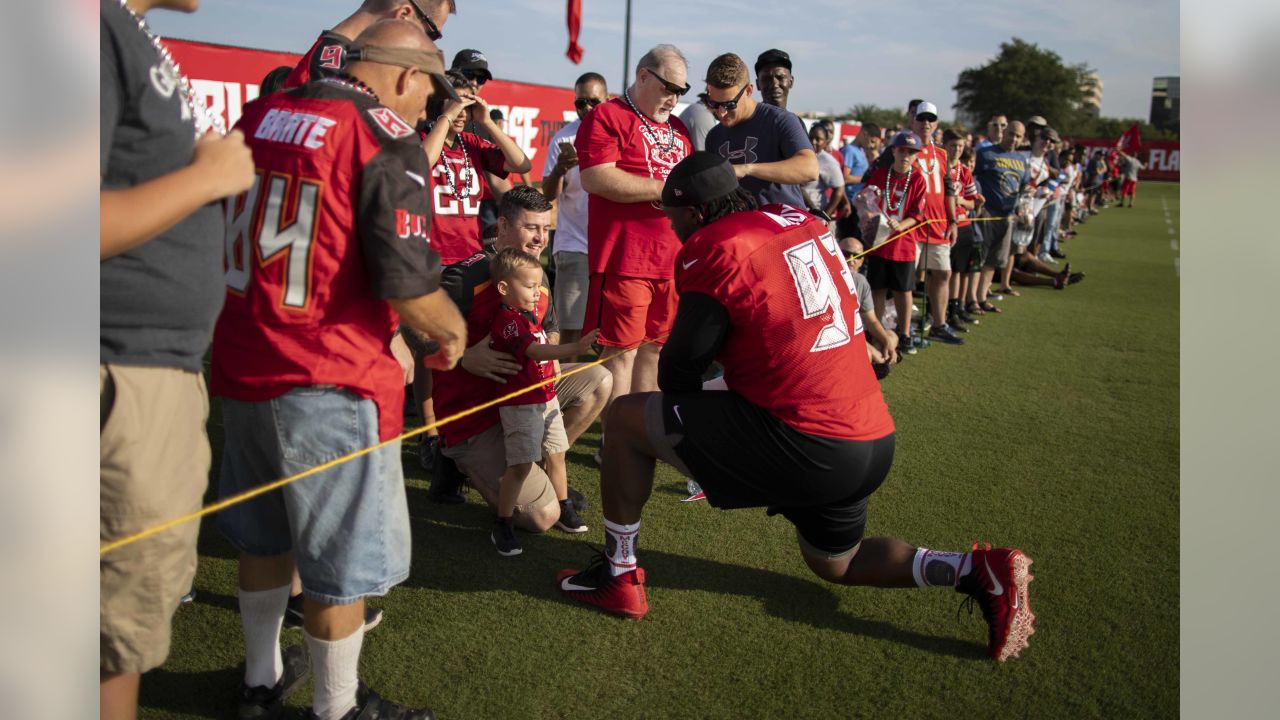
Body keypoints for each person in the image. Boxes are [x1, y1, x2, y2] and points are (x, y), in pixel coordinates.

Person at [555, 152, 1037, 664]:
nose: (672, 229)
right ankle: (970, 569)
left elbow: (679, 374)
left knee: (629, 418)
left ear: (695, 214)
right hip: (869, 433)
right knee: (837, 562)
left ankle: (618, 574)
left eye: (673, 218)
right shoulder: (799, 218)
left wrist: (724, 387)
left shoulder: (713, 245)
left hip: (807, 438)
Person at [211, 21, 466, 720]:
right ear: (408, 76)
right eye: (428, 91)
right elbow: (408, 283)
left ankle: (259, 684)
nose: (424, 109)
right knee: (335, 569)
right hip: (327, 373)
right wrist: (451, 330)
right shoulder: (381, 134)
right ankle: (336, 709)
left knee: (264, 538)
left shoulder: (262, 112)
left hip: (243, 360)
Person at [100, 2, 256, 718]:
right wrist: (207, 176)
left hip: (141, 372)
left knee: (114, 631)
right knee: (103, 632)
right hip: (116, 373)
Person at [427, 186, 613, 530]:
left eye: (546, 229)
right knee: (542, 517)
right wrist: (463, 356)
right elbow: (413, 327)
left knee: (599, 379)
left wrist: (553, 351)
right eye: (531, 228)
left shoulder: (535, 273)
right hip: (477, 416)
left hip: (522, 397)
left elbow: (552, 324)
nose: (540, 238)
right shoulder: (465, 276)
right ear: (501, 227)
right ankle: (453, 459)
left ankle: (539, 469)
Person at [576, 44, 693, 432]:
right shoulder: (607, 115)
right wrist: (664, 188)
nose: (674, 98)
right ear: (643, 76)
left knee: (656, 350)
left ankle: (643, 434)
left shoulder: (678, 128)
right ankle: (617, 440)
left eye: (682, 90)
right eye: (668, 87)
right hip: (625, 258)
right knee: (620, 353)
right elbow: (596, 176)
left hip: (671, 259)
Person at [487, 248, 599, 555]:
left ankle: (563, 506)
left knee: (557, 453)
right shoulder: (507, 320)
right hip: (521, 405)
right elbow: (535, 352)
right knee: (521, 465)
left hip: (546, 397)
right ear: (504, 288)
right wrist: (574, 347)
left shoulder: (528, 315)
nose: (537, 293)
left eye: (539, 286)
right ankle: (504, 523)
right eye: (529, 286)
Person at [543, 71, 609, 346]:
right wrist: (559, 169)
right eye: (580, 103)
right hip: (575, 245)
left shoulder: (616, 135)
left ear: (607, 100)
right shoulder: (563, 139)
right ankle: (563, 388)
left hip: (610, 247)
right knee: (569, 332)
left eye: (594, 101)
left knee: (612, 332)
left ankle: (605, 388)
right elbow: (548, 195)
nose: (587, 109)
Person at [703, 53, 817, 209]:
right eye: (714, 104)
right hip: (741, 229)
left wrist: (748, 169)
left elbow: (809, 169)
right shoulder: (714, 136)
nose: (721, 113)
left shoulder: (780, 120)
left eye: (730, 104)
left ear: (749, 91)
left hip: (782, 226)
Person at [283, 0, 455, 89]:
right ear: (403, 15)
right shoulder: (334, 70)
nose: (427, 44)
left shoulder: (335, 59)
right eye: (431, 34)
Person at [859, 131, 926, 353]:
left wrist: (902, 224)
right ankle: (875, 332)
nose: (905, 155)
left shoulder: (917, 179)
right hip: (879, 242)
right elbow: (866, 201)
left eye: (911, 152)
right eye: (902, 150)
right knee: (877, 289)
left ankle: (905, 334)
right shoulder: (880, 174)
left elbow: (918, 213)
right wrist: (868, 216)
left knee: (903, 290)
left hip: (903, 245)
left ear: (916, 156)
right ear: (893, 151)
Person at [905, 101, 963, 346]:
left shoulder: (941, 153)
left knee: (943, 273)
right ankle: (903, 332)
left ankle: (939, 325)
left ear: (937, 124)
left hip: (938, 224)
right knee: (906, 280)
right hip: (911, 225)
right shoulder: (903, 148)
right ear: (913, 121)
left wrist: (952, 220)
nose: (926, 124)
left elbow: (949, 188)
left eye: (931, 119)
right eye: (921, 119)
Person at [973, 121, 1030, 313]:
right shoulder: (986, 154)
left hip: (1007, 216)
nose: (1014, 139)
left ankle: (981, 297)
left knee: (994, 260)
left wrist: (1022, 206)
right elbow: (972, 178)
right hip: (987, 213)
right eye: (1011, 134)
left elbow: (1023, 187)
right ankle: (970, 299)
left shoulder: (1022, 160)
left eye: (1018, 136)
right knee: (979, 257)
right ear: (1004, 133)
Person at [941, 129, 984, 331]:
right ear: (945, 145)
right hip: (940, 225)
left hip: (963, 225)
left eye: (960, 146)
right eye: (953, 146)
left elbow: (973, 203)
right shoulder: (938, 168)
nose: (957, 150)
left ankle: (955, 309)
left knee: (958, 270)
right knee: (942, 272)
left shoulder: (964, 171)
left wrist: (959, 200)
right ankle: (938, 311)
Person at [839, 236, 899, 369]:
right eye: (845, 254)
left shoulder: (860, 281)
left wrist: (887, 344)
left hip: (858, 334)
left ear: (862, 261)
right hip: (839, 337)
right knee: (867, 353)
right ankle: (879, 361)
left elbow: (872, 321)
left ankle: (880, 359)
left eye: (857, 256)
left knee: (891, 337)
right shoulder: (828, 277)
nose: (851, 259)